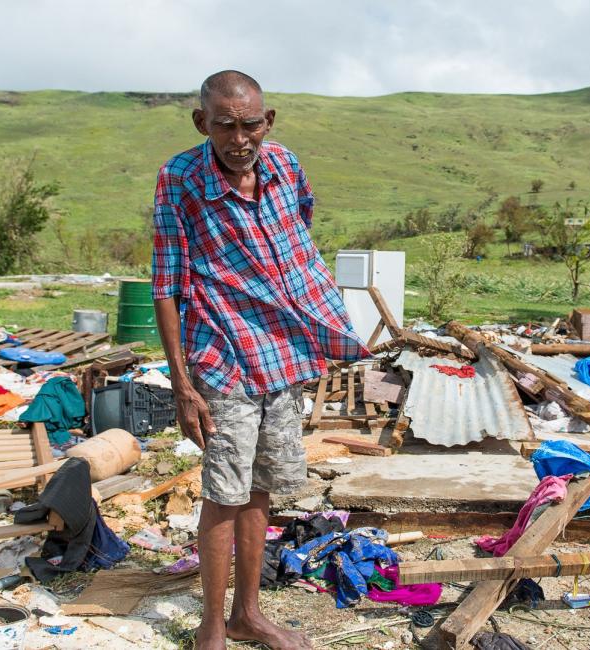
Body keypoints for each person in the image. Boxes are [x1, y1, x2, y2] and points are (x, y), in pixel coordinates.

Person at [151, 70, 368, 650]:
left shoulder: (286, 166)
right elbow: (166, 284)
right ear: (203, 124)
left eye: (250, 124)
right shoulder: (179, 179)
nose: (239, 138)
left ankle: (248, 614)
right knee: (224, 491)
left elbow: (296, 235)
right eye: (225, 125)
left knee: (260, 489)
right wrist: (182, 384)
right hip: (221, 355)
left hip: (281, 351)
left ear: (267, 122)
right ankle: (211, 628)